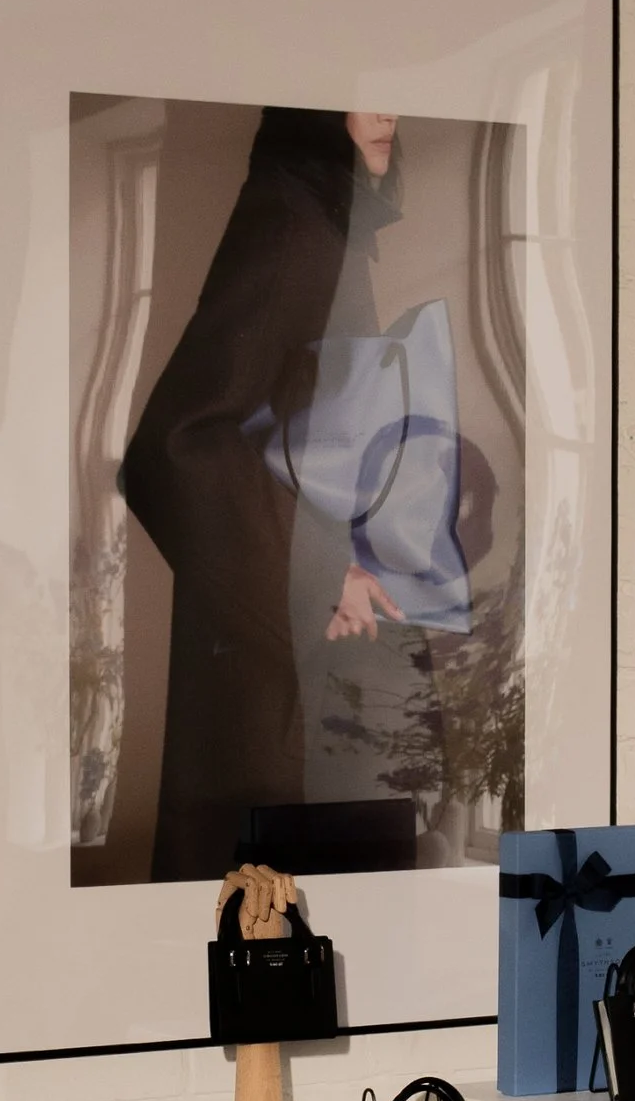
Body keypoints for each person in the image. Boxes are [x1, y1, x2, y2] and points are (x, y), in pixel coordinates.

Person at [121, 106, 442, 880]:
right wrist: (327, 575)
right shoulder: (297, 223)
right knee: (277, 943)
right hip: (284, 696)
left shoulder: (329, 233)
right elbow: (177, 446)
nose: (386, 114)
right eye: (363, 93)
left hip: (312, 685)